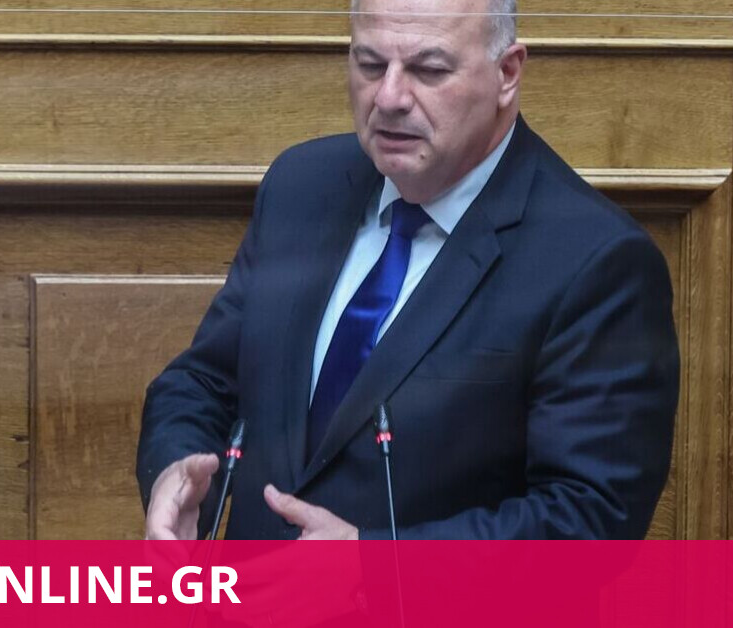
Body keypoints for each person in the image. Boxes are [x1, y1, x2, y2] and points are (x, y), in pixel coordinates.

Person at [137, 0, 679, 540]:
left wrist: (371, 566)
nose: (389, 98)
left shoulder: (596, 261)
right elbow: (204, 382)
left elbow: (589, 518)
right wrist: (175, 473)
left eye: (429, 70)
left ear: (507, 73)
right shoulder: (300, 188)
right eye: (371, 64)